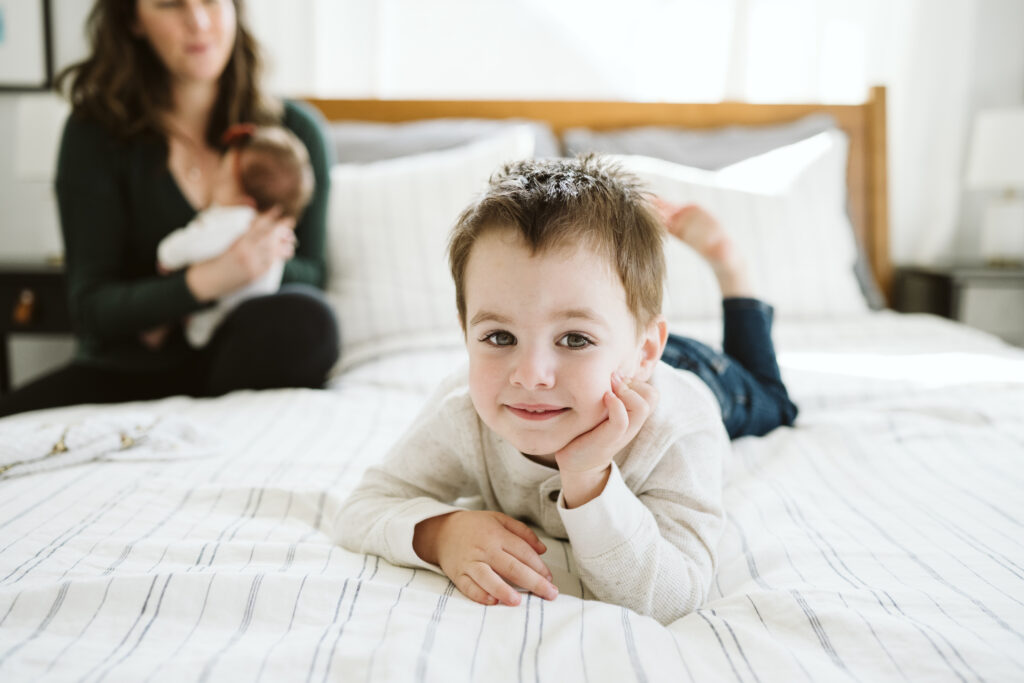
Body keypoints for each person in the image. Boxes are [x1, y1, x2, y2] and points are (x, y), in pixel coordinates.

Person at [338, 156, 797, 625]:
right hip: (606, 362)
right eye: (499, 337)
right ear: (465, 333)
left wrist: (589, 476)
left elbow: (672, 597)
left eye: (573, 338)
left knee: (772, 401)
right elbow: (366, 504)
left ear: (644, 350)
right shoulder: (462, 411)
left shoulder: (680, 428)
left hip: (697, 375)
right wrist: (439, 534)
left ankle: (731, 272)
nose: (531, 375)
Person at [0, 0, 338, 419]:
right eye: (170, 4)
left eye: (212, 1)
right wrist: (209, 277)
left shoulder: (295, 133)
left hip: (241, 366)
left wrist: (254, 264)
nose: (197, 22)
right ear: (133, 20)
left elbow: (312, 273)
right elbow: (92, 309)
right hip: (126, 375)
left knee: (310, 319)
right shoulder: (94, 135)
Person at [155, 123, 315, 348]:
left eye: (222, 181)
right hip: (254, 312)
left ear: (246, 201)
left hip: (221, 320)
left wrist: (167, 255)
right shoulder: (269, 229)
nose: (215, 184)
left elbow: (195, 244)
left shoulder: (237, 221)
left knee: (200, 330)